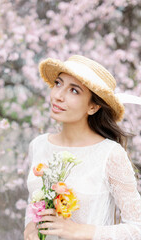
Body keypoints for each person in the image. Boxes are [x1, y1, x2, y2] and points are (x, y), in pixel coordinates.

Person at [24, 55, 141, 240]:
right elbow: (32, 207)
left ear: (93, 107)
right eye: (58, 83)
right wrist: (29, 229)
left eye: (74, 91)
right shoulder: (38, 145)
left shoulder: (109, 154)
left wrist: (79, 231)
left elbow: (137, 228)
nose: (58, 96)